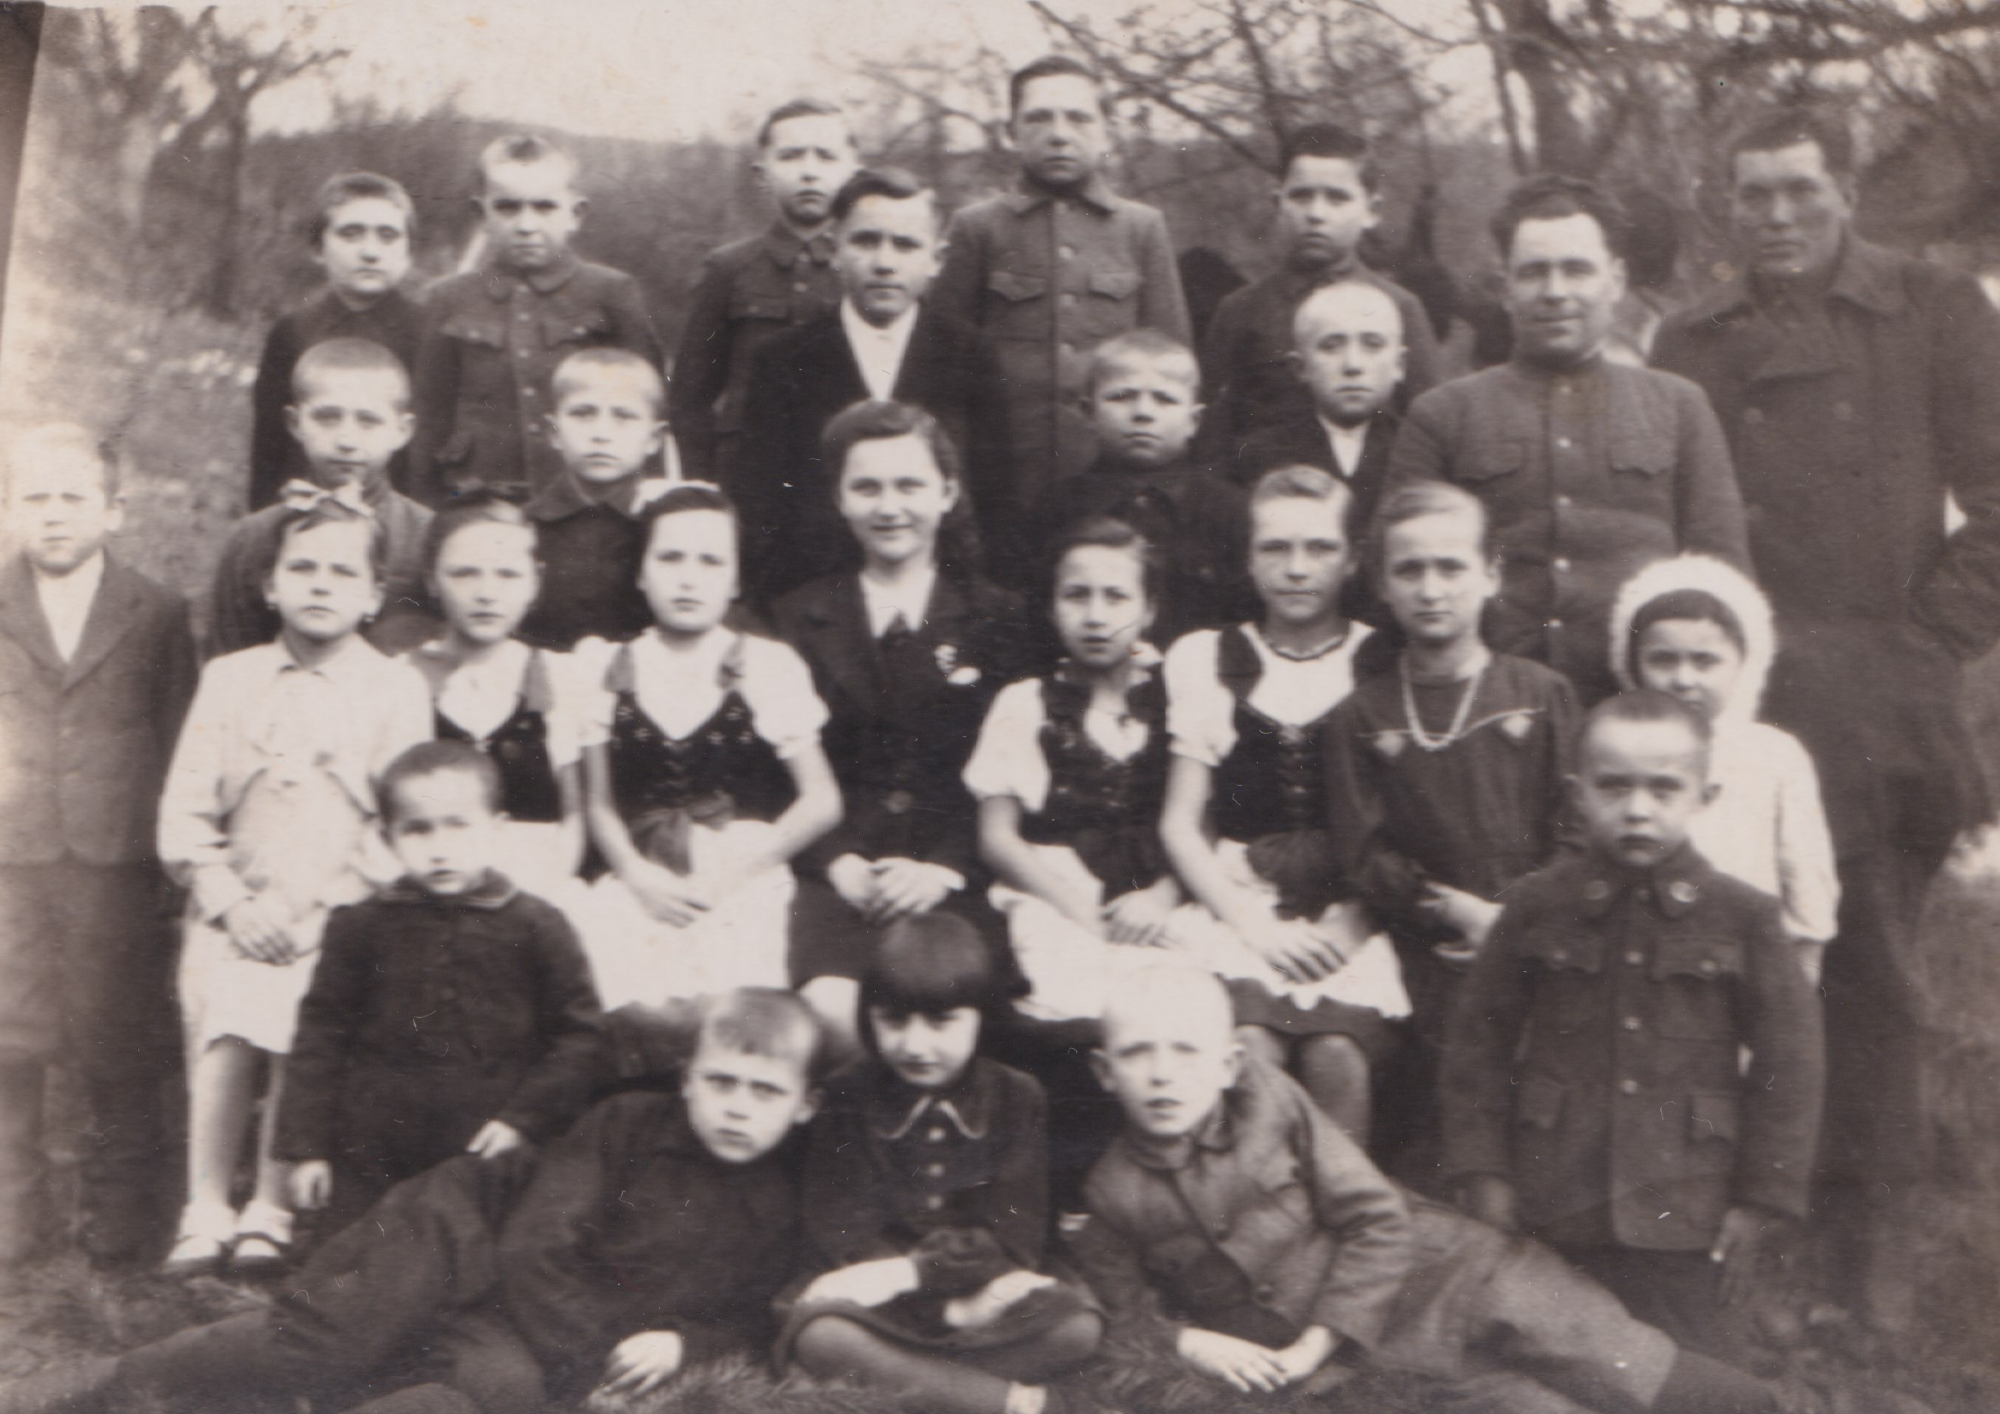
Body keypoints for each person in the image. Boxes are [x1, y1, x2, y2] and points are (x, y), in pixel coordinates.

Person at [1650, 105, 2000, 1333]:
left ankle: (1874, 1239)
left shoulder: (1931, 307)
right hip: (1734, 700)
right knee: (1726, 960)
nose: (1778, 216)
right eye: (1754, 194)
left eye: (1800, 189)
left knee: (1872, 974)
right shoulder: (1691, 337)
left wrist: (1924, 645)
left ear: (1844, 189)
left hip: (1880, 697)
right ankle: (1734, 1221)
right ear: (1726, 202)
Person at [1069, 965, 1866, 1414]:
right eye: (1137, 1054)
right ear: (1104, 1072)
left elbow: (1376, 1217)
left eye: (1185, 1050)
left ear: (1228, 1064)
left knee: (1615, 1360)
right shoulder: (1111, 1192)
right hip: (1366, 1362)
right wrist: (1192, 1342)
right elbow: (1123, 1313)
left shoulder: (1272, 1104)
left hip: (1444, 1274)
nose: (1163, 1074)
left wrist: (1316, 1340)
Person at [0, 989, 828, 1414]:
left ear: (805, 1106)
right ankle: (103, 1381)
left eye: (764, 1091)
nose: (737, 1108)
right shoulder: (629, 1125)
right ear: (688, 1080)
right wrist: (583, 1362)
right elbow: (536, 1242)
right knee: (334, 1337)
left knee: (502, 1392)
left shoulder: (788, 1198)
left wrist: (685, 1341)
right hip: (463, 1231)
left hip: (519, 1317)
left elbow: (754, 1314)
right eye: (721, 1082)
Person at [1442, 691, 1824, 1368]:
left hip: (1686, 1204)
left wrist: (1762, 1198)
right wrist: (1485, 1171)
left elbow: (1790, 1063)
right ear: (1577, 795)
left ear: (1705, 796)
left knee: (1694, 1378)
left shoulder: (1743, 916)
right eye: (1613, 787)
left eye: (1664, 788)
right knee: (1548, 1368)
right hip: (1556, 1195)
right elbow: (1478, 1044)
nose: (1638, 809)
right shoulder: (1536, 905)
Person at [160, 501, 433, 1276]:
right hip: (234, 911)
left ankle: (270, 1208)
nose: (321, 584)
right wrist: (231, 901)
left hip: (337, 917)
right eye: (302, 568)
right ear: (270, 585)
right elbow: (183, 814)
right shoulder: (230, 679)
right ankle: (206, 1204)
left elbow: (400, 824)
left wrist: (326, 915)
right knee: (223, 1019)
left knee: (302, 1026)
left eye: (343, 571)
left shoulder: (395, 689)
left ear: (374, 595)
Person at [1381, 173, 1748, 703]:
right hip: (1489, 706)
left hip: (1642, 710)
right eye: (1534, 272)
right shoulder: (1442, 415)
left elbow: (1724, 578)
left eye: (1577, 270)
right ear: (1505, 287)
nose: (1555, 292)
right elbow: (1396, 568)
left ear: (1615, 280)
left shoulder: (1679, 406)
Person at [1324, 482, 1579, 1178]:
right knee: (1440, 1109)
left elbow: (1578, 831)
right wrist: (1449, 910)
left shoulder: (1541, 694)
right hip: (1427, 947)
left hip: (1542, 934)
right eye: (1409, 570)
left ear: (1491, 574)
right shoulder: (1360, 716)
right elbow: (1364, 853)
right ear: (1381, 584)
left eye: (1451, 567)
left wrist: (1513, 918)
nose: (1431, 589)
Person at [1158, 465, 1407, 1142]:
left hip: (1352, 907)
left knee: (1338, 1054)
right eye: (1275, 548)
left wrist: (1357, 918)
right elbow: (1180, 823)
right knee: (1249, 1047)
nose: (1297, 569)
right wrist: (1251, 925)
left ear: (1352, 560)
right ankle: (1255, 1203)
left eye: (1320, 548)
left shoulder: (1382, 660)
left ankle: (1344, 1204)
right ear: (1248, 557)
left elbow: (1410, 820)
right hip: (1240, 904)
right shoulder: (1206, 657)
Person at [774, 400, 1028, 1054]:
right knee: (834, 1011)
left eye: (910, 485)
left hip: (955, 873)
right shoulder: (798, 617)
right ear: (840, 499)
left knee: (962, 1012)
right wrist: (837, 860)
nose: (890, 507)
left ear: (947, 493)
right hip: (840, 875)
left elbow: (1015, 770)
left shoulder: (1001, 619)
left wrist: (943, 868)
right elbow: (775, 771)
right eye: (867, 487)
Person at [0, 426, 196, 1267]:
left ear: (115, 510)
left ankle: (121, 1212)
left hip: (116, 860)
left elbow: (178, 737)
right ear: (9, 509)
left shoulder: (157, 612)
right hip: (10, 858)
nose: (54, 515)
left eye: (74, 497)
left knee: (120, 1030)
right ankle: (13, 1209)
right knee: (9, 1029)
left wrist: (170, 862)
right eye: (35, 498)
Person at [276, 740, 603, 1240]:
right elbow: (320, 1037)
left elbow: (580, 1036)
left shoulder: (538, 925)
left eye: (458, 826)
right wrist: (309, 1150)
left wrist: (524, 1120)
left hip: (488, 1142)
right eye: (417, 829)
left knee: (491, 1255)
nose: (439, 848)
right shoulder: (360, 926)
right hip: (376, 1148)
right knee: (365, 1260)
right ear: (387, 838)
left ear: (496, 828)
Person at [781, 915, 1103, 1414]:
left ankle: (913, 1384)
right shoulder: (848, 1093)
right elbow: (840, 1226)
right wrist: (914, 1286)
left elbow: (1016, 1233)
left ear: (981, 1018)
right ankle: (1020, 1403)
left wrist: (941, 1283)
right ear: (869, 1017)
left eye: (941, 1023)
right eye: (893, 1021)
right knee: (821, 1335)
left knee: (1078, 1327)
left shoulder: (1017, 1096)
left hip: (983, 1288)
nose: (914, 1045)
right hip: (874, 1293)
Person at [574, 484, 842, 1016]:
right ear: (641, 572)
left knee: (731, 1006)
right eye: (670, 558)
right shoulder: (605, 665)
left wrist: (734, 875)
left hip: (742, 867)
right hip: (644, 866)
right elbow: (599, 802)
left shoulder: (766, 664)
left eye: (711, 561)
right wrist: (635, 875)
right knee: (633, 1001)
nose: (688, 578)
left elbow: (822, 800)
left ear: (735, 579)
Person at [931, 54, 1190, 525]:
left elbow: (1173, 368)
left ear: (1106, 131)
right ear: (1011, 131)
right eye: (1039, 118)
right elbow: (943, 370)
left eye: (1078, 118)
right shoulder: (977, 229)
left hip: (1112, 483)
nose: (1059, 134)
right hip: (1003, 482)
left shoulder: (1141, 229)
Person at [736, 165, 1010, 604]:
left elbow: (997, 500)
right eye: (865, 241)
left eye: (905, 244)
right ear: (834, 249)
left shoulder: (971, 355)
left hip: (943, 600)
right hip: (815, 601)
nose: (884, 263)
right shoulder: (782, 360)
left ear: (936, 259)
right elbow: (761, 507)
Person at [967, 518, 1182, 1024]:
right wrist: (1080, 910)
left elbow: (1199, 817)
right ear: (1051, 607)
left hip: (1155, 895)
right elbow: (997, 838)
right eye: (1076, 596)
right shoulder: (1026, 703)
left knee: (1175, 1001)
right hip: (1056, 893)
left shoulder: (1176, 700)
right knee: (1078, 999)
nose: (1095, 616)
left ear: (1149, 609)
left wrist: (1162, 896)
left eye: (1116, 597)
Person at [1609, 554, 1838, 983]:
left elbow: (1806, 875)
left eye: (1705, 661)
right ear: (1634, 664)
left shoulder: (1774, 754)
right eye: (1663, 660)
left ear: (1742, 664)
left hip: (1743, 965)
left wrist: (1801, 976)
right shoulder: (1614, 747)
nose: (1684, 679)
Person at [410, 135, 661, 502]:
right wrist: (426, 510)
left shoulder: (611, 292)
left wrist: (646, 505)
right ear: (482, 214)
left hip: (582, 501)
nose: (526, 225)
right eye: (508, 207)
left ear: (575, 214)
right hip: (477, 500)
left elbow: (646, 407)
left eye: (544, 207)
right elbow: (429, 419)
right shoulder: (447, 298)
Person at [1194, 122, 1438, 469]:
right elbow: (1212, 442)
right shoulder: (1241, 311)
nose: (1316, 214)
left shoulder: (1401, 308)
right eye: (1301, 196)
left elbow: (1427, 432)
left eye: (1337, 198)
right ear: (1278, 203)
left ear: (1371, 210)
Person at [669, 98, 859, 487]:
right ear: (761, 172)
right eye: (791, 156)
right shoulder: (728, 268)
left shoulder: (866, 269)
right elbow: (690, 399)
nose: (809, 171)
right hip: (748, 477)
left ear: (854, 171)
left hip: (844, 476)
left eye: (826, 156)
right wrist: (702, 488)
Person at [407, 494, 589, 898]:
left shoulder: (559, 675)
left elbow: (573, 816)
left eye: (507, 575)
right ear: (432, 579)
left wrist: (545, 895)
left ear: (534, 582)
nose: (486, 593)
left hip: (536, 881)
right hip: (432, 885)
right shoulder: (402, 678)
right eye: (464, 574)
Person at [210, 337, 437, 657]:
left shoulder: (430, 537)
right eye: (327, 418)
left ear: (402, 430)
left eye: (368, 421)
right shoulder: (253, 538)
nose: (347, 440)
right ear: (295, 423)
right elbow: (229, 658)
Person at [1033, 330, 1248, 645]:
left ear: (1195, 420)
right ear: (1088, 411)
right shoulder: (1059, 507)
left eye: (1164, 399)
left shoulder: (1228, 511)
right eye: (1122, 396)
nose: (1143, 413)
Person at [249, 172, 423, 510]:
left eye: (387, 236)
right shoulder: (292, 332)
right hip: (310, 512)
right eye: (351, 234)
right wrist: (271, 524)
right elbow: (269, 453)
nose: (370, 252)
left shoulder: (429, 334)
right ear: (319, 248)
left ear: (409, 251)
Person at [516, 347, 668, 652]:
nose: (601, 433)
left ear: (653, 439)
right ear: (553, 432)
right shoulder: (520, 529)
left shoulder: (666, 527)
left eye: (623, 416)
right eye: (583, 414)